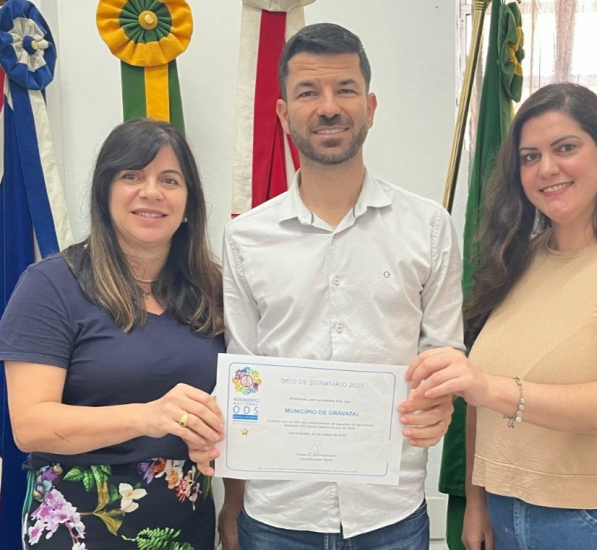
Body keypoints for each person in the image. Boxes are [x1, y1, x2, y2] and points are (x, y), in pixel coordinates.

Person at [192, 22, 463, 549]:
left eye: (345, 89)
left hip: (391, 512)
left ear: (371, 106)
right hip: (279, 515)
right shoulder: (246, 238)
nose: (329, 107)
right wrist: (231, 493)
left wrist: (441, 401)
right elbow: (245, 373)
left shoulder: (429, 226)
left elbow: (444, 355)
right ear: (283, 113)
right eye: (308, 92)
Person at [407, 82, 597, 550]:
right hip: (507, 515)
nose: (547, 168)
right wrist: (477, 501)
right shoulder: (518, 260)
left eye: (565, 148)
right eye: (529, 156)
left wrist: (488, 387)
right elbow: (481, 398)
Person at [0, 118, 226, 549]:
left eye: (170, 180)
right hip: (78, 526)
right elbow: (30, 426)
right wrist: (147, 416)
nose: (152, 192)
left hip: (186, 525)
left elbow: (239, 399)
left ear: (189, 203)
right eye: (132, 176)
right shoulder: (51, 286)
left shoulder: (213, 288)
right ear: (104, 192)